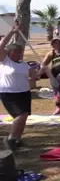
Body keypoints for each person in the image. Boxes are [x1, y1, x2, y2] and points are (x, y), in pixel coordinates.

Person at [0, 22, 37, 151]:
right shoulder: (5, 61)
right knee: (20, 115)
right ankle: (10, 139)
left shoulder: (24, 64)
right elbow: (1, 45)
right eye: (17, 51)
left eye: (21, 50)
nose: (20, 53)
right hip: (9, 93)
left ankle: (17, 140)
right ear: (10, 52)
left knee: (24, 116)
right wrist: (12, 31)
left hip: (24, 93)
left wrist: (42, 71)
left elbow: (34, 77)